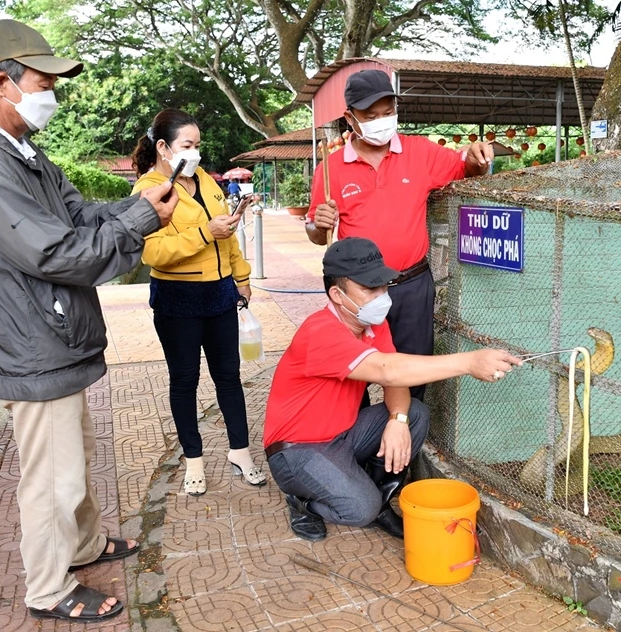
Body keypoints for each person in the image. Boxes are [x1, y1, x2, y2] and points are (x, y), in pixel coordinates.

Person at [0, 20, 179, 623]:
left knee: (76, 455)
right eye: (43, 82)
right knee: (52, 478)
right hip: (32, 342)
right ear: (2, 83)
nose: (52, 95)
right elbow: (56, 253)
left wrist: (137, 206)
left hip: (53, 336)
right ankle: (47, 589)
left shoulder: (23, 151)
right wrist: (140, 223)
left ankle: (85, 546)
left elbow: (77, 213)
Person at [263, 238, 522, 541]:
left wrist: (397, 420)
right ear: (337, 294)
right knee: (361, 511)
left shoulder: (372, 323)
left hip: (344, 435)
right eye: (369, 289)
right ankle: (304, 501)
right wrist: (469, 361)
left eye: (384, 287)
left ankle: (376, 496)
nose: (382, 297)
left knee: (413, 412)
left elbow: (394, 381)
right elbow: (388, 369)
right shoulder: (320, 333)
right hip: (298, 451)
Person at [306, 69, 495, 403]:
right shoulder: (330, 169)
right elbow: (317, 236)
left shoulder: (420, 152)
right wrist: (318, 225)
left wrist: (478, 157)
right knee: (355, 374)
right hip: (358, 291)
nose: (382, 121)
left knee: (414, 368)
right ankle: (357, 443)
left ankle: (405, 436)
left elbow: (465, 166)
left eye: (388, 113)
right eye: (371, 116)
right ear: (350, 118)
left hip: (411, 284)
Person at [131, 109, 266, 496]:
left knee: (229, 378)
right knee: (185, 380)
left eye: (197, 145)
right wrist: (205, 232)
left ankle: (240, 451)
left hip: (221, 294)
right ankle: (194, 459)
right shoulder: (149, 189)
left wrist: (241, 278)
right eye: (186, 146)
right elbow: (153, 253)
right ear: (163, 147)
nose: (195, 153)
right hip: (178, 300)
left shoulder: (206, 180)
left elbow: (229, 235)